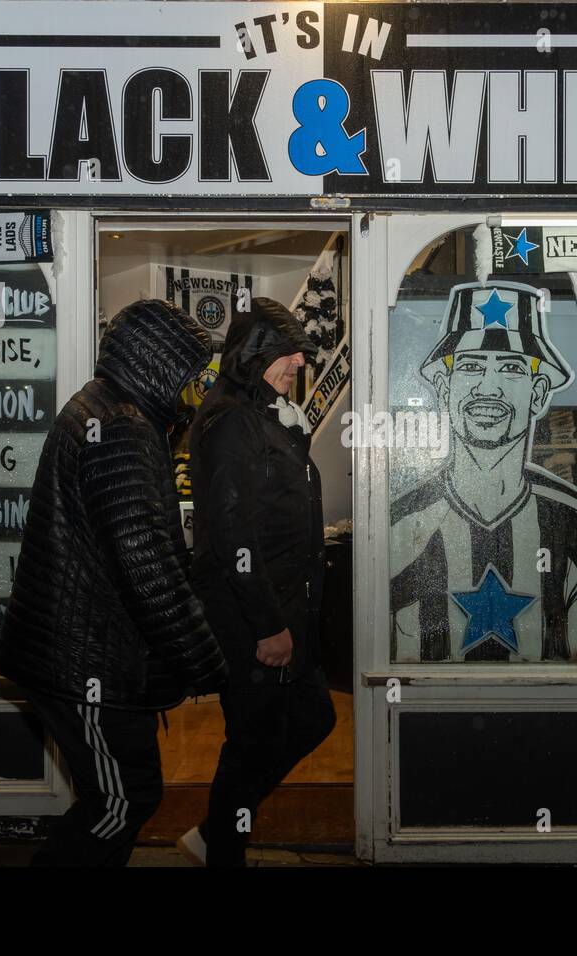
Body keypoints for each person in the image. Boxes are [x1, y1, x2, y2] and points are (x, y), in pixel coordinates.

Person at [0, 299, 228, 866]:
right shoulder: (123, 426)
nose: (194, 386)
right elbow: (142, 561)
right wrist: (204, 660)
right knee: (121, 800)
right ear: (158, 365)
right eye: (189, 371)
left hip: (83, 656)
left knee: (120, 794)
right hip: (86, 662)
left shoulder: (105, 409)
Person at [182, 296, 337, 867]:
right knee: (253, 742)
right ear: (253, 353)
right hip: (250, 618)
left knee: (311, 718)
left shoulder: (260, 414)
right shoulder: (229, 422)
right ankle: (223, 848)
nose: (299, 361)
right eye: (287, 351)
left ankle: (213, 833)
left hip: (280, 611)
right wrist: (269, 625)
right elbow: (232, 535)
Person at [390, 281, 577, 662]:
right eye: (470, 366)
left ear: (539, 392)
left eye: (511, 368)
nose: (488, 388)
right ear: (444, 388)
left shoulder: (572, 522)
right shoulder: (400, 523)